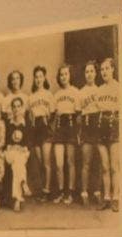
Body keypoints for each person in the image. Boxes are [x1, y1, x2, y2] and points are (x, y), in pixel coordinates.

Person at [52, 64, 79, 204]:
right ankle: (61, 191)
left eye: (66, 74)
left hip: (71, 125)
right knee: (58, 163)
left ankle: (71, 192)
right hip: (59, 127)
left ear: (70, 75)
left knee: (70, 161)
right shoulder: (56, 95)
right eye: (61, 74)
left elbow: (78, 115)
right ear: (59, 77)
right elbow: (54, 115)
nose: (63, 77)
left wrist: (77, 131)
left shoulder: (75, 92)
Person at [96, 57, 121, 212]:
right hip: (101, 126)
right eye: (102, 69)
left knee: (114, 166)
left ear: (113, 69)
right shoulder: (99, 90)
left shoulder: (119, 87)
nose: (104, 72)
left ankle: (116, 198)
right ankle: (106, 198)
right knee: (104, 166)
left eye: (107, 68)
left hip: (114, 125)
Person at [77, 60, 101, 207]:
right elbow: (79, 116)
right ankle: (84, 192)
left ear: (96, 73)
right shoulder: (81, 92)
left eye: (92, 71)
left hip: (97, 126)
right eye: (87, 72)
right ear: (84, 74)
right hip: (86, 126)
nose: (89, 74)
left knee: (97, 162)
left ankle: (97, 191)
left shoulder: (100, 90)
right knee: (86, 162)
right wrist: (79, 133)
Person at [28, 65, 54, 201]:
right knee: (38, 161)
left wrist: (47, 120)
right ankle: (43, 188)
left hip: (45, 127)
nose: (38, 79)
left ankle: (47, 190)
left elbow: (53, 114)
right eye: (36, 77)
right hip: (35, 129)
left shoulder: (49, 94)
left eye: (40, 76)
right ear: (34, 79)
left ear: (44, 78)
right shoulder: (31, 96)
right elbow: (30, 116)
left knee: (46, 162)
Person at [5, 128, 31, 212]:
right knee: (18, 164)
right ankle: (23, 182)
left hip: (20, 155)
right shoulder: (10, 124)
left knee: (17, 166)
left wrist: (22, 148)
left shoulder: (25, 126)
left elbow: (27, 148)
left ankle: (17, 199)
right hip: (10, 153)